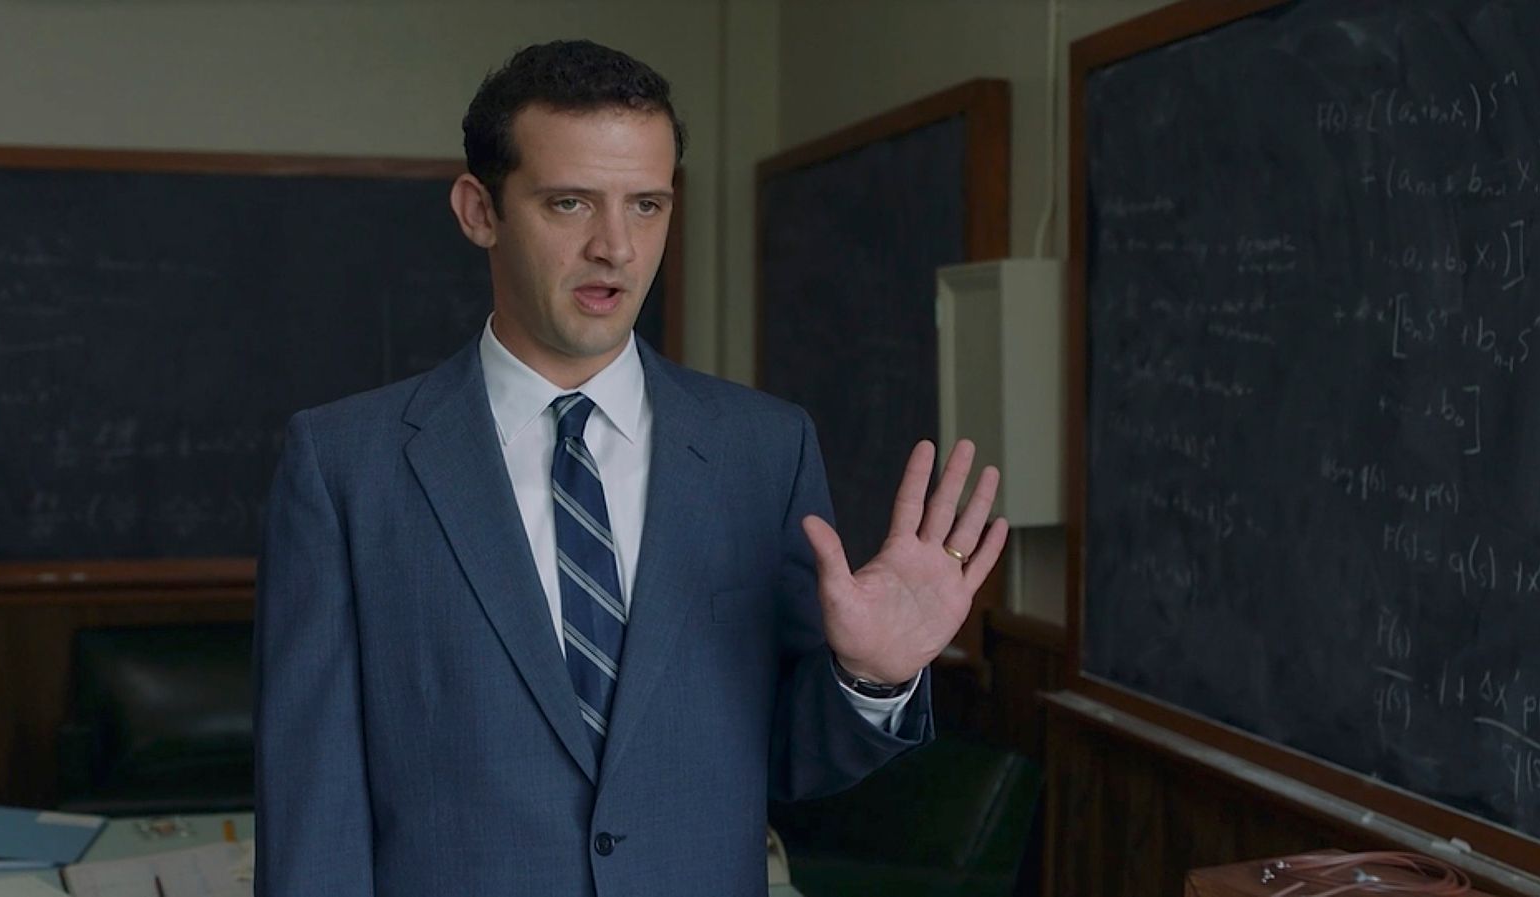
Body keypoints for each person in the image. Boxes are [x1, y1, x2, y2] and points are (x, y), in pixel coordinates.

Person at [254, 39, 1008, 897]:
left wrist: (872, 677)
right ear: (479, 210)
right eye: (570, 202)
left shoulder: (764, 450)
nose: (615, 246)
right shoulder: (345, 465)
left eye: (646, 205)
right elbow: (312, 811)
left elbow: (790, 765)